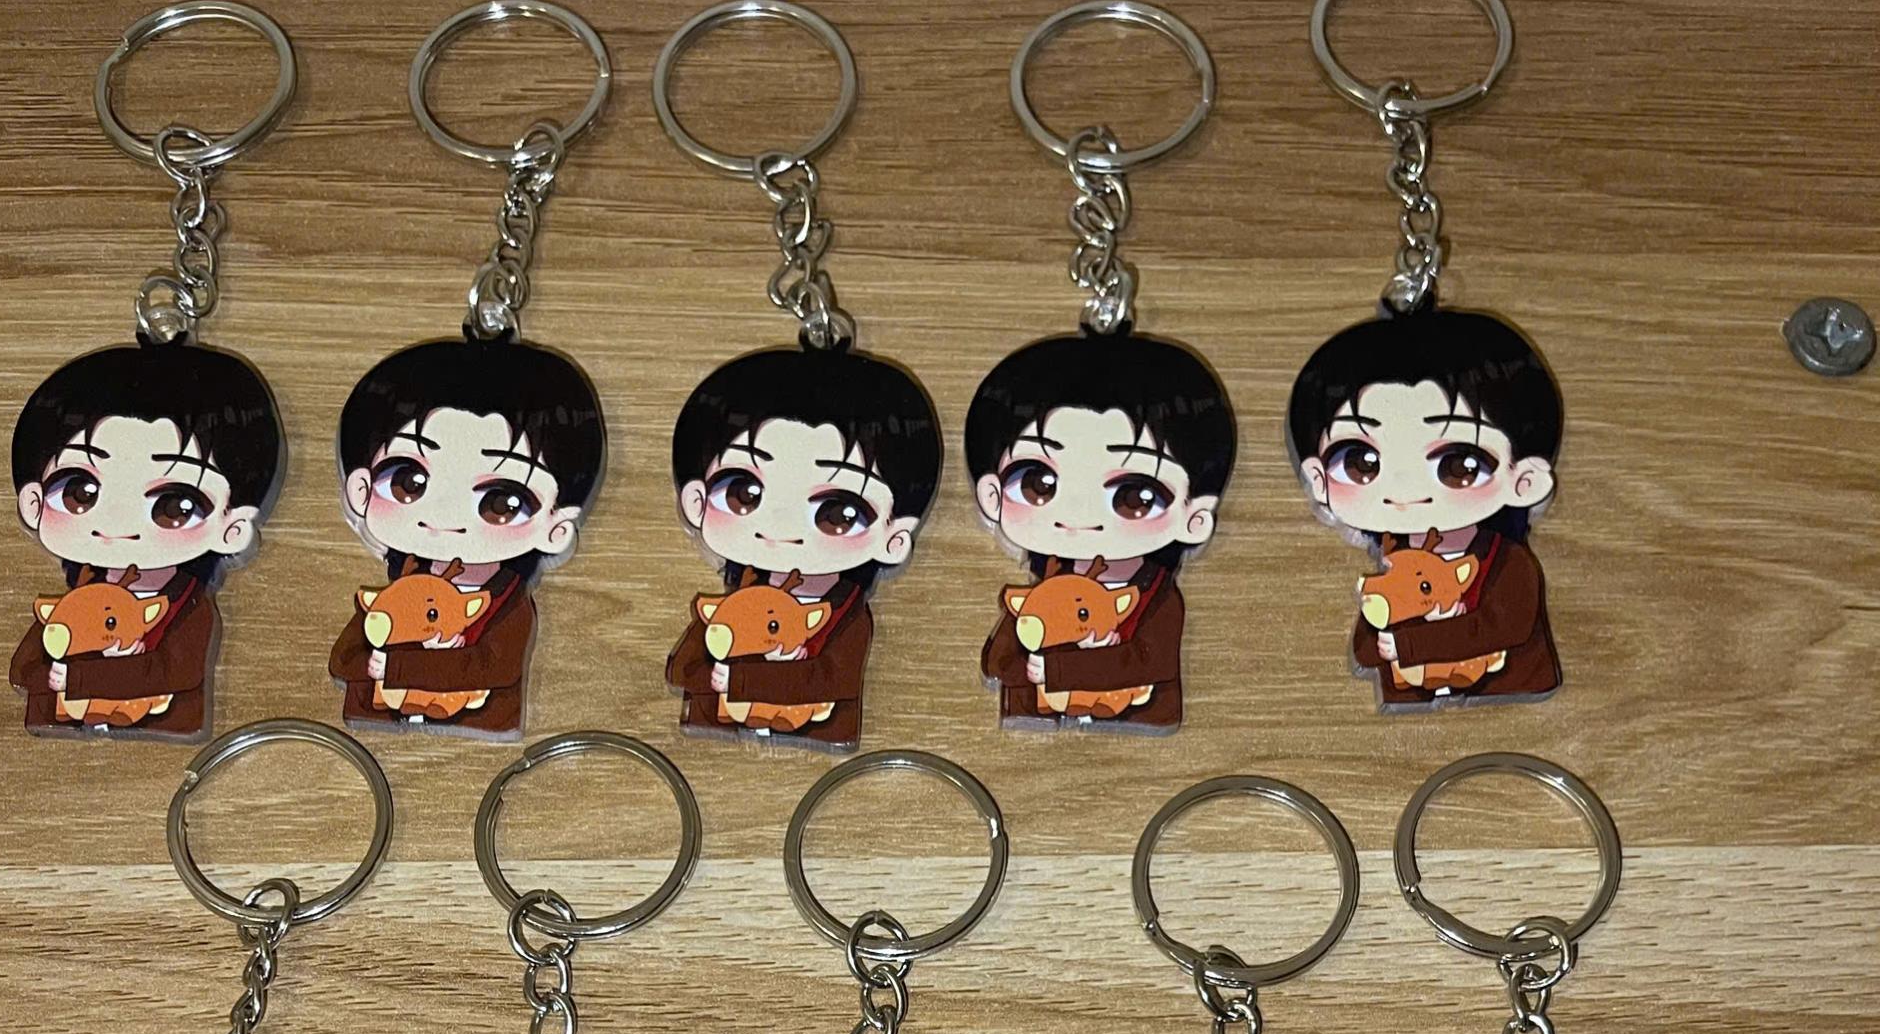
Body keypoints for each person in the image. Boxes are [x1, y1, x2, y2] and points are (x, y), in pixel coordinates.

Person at [665, 343, 941, 745]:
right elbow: (683, 670)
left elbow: (832, 680)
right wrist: (718, 671)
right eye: (743, 493)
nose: (781, 527)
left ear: (894, 538)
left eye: (838, 512)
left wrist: (742, 677)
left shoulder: (848, 615)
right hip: (715, 732)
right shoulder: (735, 601)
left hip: (815, 735)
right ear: (697, 501)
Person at [1288, 303, 1563, 704]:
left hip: (1507, 698)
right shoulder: (1395, 561)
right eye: (1361, 462)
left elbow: (1503, 627)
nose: (1403, 490)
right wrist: (1383, 624)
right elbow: (1366, 650)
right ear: (1317, 479)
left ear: (1524, 480)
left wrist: (1407, 644)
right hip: (1410, 704)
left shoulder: (1507, 562)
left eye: (1460, 465)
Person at [328, 335, 604, 733]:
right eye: (409, 482)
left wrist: (399, 665)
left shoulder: (509, 604)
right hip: (377, 720)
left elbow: (493, 667)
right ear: (361, 490)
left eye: (501, 502)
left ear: (555, 527)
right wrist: (375, 661)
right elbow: (344, 659)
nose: (444, 516)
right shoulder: (395, 592)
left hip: (477, 727)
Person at [10, 343, 283, 734]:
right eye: (80, 492)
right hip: (58, 733)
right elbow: (24, 671)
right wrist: (62, 673)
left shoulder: (191, 607)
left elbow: (174, 672)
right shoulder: (74, 601)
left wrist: (78, 676)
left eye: (174, 506)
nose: (119, 525)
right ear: (33, 502)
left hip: (162, 731)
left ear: (232, 527)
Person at [966, 330, 1233, 728]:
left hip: (1137, 719)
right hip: (1037, 724)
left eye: (1135, 496)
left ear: (1194, 517)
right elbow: (998, 662)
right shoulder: (1043, 590)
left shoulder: (1159, 597)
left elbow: (1150, 662)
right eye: (1038, 483)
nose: (1080, 516)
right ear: (992, 496)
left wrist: (1058, 668)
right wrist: (1033, 666)